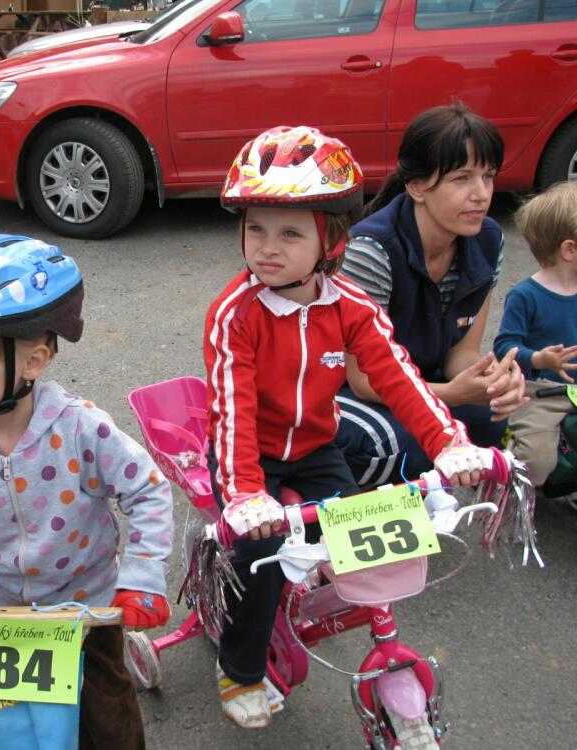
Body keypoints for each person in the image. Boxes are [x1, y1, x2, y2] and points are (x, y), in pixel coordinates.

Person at [204, 126, 494, 743]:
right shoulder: (236, 314)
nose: (267, 248)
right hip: (249, 457)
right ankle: (241, 669)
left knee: (365, 536)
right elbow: (231, 411)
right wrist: (245, 493)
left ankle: (345, 613)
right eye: (256, 229)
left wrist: (449, 443)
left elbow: (398, 377)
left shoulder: (352, 304)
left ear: (331, 240)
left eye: (290, 233)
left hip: (315, 448)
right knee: (258, 560)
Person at [0, 235, 174, 749]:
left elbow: (148, 492)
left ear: (34, 361)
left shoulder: (82, 430)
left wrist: (142, 579)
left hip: (83, 610)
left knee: (106, 719)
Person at [337, 102, 527, 488]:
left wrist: (493, 381)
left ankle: (437, 500)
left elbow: (461, 353)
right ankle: (353, 506)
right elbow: (362, 379)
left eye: (488, 176)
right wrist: (451, 394)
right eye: (461, 178)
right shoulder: (372, 249)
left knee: (490, 419)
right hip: (344, 390)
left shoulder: (488, 240)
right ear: (417, 186)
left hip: (421, 380)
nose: (481, 194)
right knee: (400, 444)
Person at [493, 182, 577, 491]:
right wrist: (539, 358)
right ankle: (511, 486)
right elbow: (504, 347)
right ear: (569, 250)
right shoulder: (526, 295)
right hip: (541, 392)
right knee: (536, 461)